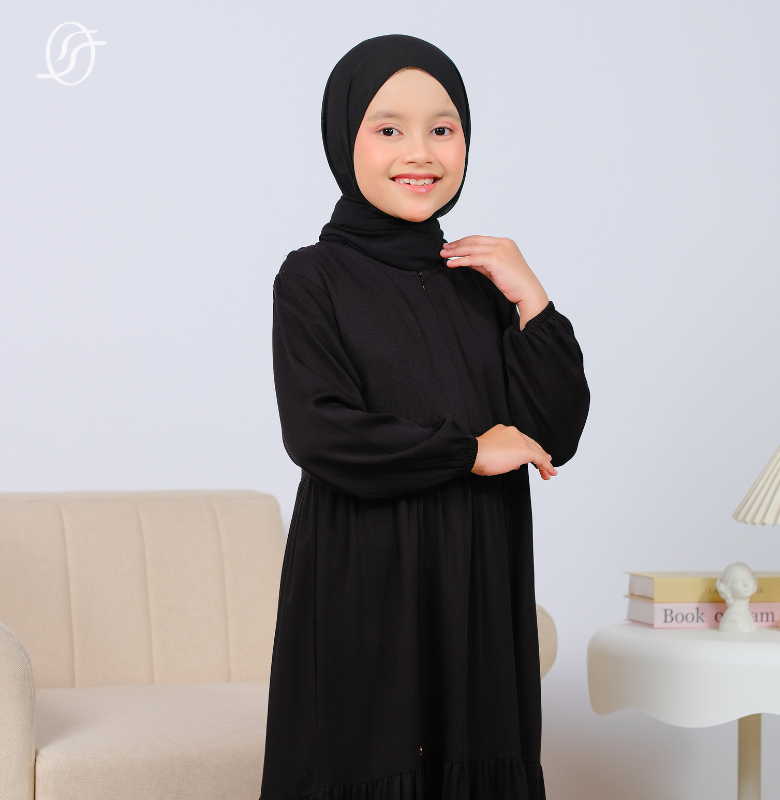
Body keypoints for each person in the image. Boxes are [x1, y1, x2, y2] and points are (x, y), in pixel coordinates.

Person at [260, 33, 590, 800]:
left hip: (478, 582)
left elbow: (554, 433)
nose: (421, 153)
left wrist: (532, 299)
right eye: (389, 129)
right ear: (345, 139)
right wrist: (467, 451)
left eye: (442, 128)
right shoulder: (313, 278)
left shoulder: (481, 282)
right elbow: (318, 429)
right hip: (367, 580)